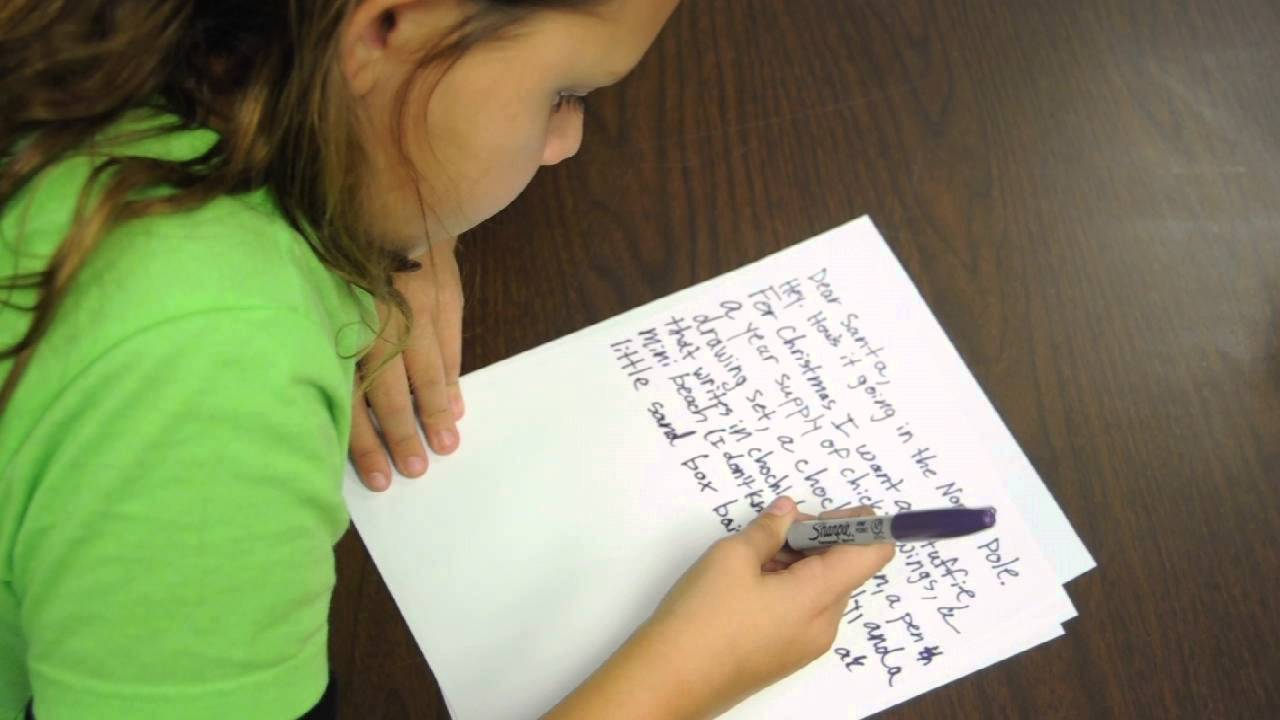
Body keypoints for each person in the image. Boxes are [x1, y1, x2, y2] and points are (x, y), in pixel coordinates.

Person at [0, 1, 894, 718]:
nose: (566, 142)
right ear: (387, 29)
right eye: (565, 93)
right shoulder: (202, 372)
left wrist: (382, 178)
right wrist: (685, 679)